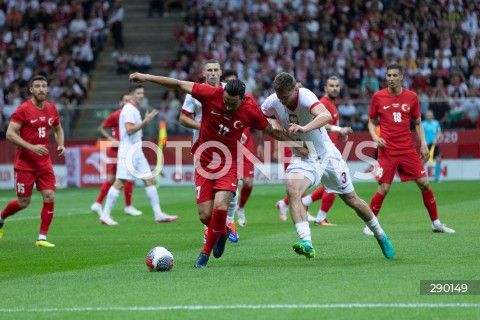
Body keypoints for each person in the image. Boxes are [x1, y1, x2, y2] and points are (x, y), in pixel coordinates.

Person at [130, 72, 302, 268]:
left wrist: (297, 145)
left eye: (233, 103)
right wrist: (146, 77)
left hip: (228, 162)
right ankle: (222, 233)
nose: (228, 106)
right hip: (203, 161)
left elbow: (270, 131)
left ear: (242, 99)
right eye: (226, 101)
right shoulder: (210, 93)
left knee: (221, 206)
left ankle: (204, 256)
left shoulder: (250, 109)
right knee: (205, 216)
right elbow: (177, 84)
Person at [262, 72, 394, 260]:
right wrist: (275, 123)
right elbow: (262, 119)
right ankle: (307, 242)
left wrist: (304, 129)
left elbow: (325, 116)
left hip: (326, 155)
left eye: (285, 97)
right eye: (279, 97)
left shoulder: (306, 96)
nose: (282, 102)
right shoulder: (273, 101)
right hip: (302, 156)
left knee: (352, 200)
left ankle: (380, 235)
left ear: (295, 90)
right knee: (292, 190)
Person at [367, 64, 454, 235]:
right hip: (388, 151)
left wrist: (423, 144)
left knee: (424, 184)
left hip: (407, 149)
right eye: (388, 75)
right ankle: (370, 226)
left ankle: (436, 223)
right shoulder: (378, 97)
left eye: (394, 75)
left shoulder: (411, 97)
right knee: (383, 188)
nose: (391, 79)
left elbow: (418, 123)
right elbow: (370, 122)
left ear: (401, 77)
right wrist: (376, 138)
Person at [275, 78, 353, 226]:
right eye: (331, 86)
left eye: (337, 86)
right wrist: (338, 129)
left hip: (327, 147)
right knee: (333, 188)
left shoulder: (331, 104)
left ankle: (296, 203)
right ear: (325, 88)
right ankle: (319, 217)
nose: (335, 88)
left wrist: (339, 133)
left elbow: (325, 126)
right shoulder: (318, 102)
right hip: (317, 150)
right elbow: (321, 121)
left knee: (329, 187)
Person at [0, 75, 65, 247]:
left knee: (50, 195)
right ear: (31, 90)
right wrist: (31, 147)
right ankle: (1, 217)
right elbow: (10, 134)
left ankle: (42, 238)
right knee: (23, 203)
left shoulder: (51, 109)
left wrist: (61, 145)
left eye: (44, 86)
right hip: (25, 164)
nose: (41, 89)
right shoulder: (23, 109)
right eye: (37, 86)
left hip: (44, 163)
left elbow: (58, 128)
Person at [178, 61, 239, 243]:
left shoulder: (228, 91)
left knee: (232, 186)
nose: (212, 73)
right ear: (203, 72)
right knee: (207, 193)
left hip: (227, 146)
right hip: (203, 148)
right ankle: (208, 228)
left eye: (215, 70)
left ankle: (230, 222)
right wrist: (204, 126)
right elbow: (183, 118)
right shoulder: (196, 92)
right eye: (209, 70)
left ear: (221, 72)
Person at [99, 84, 178, 225]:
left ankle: (158, 214)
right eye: (138, 93)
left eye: (142, 92)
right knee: (120, 182)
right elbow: (129, 130)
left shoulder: (133, 109)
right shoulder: (129, 109)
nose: (141, 95)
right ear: (131, 95)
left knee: (149, 180)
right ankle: (105, 215)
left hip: (137, 150)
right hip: (128, 151)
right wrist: (145, 122)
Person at [221, 70, 265, 229]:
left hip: (246, 147)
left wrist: (260, 143)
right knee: (231, 184)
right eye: (227, 82)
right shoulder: (220, 98)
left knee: (248, 183)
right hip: (228, 147)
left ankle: (240, 208)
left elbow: (258, 120)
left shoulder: (248, 99)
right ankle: (228, 219)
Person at [90, 93, 143, 217]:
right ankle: (128, 206)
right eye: (125, 100)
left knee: (113, 178)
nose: (127, 102)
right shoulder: (116, 115)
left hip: (126, 149)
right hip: (118, 150)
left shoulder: (132, 113)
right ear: (120, 103)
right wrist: (110, 138)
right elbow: (101, 127)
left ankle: (98, 204)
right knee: (126, 176)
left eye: (129, 100)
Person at [422, 110, 443, 182]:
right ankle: (418, 177)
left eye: (430, 115)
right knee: (422, 161)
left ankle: (437, 178)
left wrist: (436, 139)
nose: (429, 116)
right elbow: (419, 134)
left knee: (438, 160)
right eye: (427, 115)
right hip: (426, 145)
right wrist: (423, 141)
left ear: (432, 116)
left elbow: (439, 133)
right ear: (425, 116)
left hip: (434, 144)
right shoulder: (423, 124)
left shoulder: (436, 123)